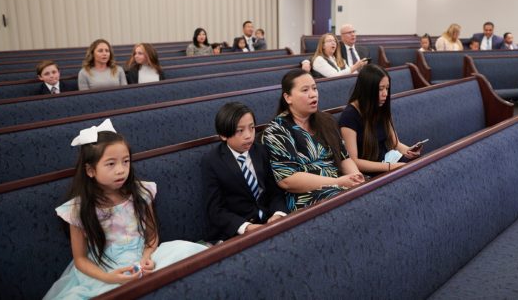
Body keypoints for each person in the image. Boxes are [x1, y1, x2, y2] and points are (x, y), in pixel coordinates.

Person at [44, 119, 207, 299]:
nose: (121, 170)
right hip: (104, 269)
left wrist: (147, 256)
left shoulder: (140, 193)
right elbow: (80, 259)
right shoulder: (78, 209)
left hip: (142, 257)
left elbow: (151, 236)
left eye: (126, 161)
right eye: (111, 164)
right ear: (90, 170)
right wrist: (108, 277)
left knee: (188, 257)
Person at [261, 69, 365, 211]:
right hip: (305, 195)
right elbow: (287, 180)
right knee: (351, 202)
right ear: (288, 97)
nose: (313, 94)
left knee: (371, 190)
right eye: (305, 90)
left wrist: (356, 178)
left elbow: (344, 158)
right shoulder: (277, 130)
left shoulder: (327, 121)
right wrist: (337, 182)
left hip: (340, 182)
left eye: (314, 88)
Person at [203, 102, 289, 241]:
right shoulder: (212, 161)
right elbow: (215, 210)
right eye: (240, 131)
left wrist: (278, 214)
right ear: (223, 135)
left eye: (252, 128)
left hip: (268, 222)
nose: (249, 136)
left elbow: (275, 192)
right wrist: (246, 227)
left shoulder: (261, 151)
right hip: (237, 231)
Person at [339, 64, 422, 175]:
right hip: (371, 171)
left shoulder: (381, 107)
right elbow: (353, 161)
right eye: (380, 89)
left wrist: (409, 151)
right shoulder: (349, 116)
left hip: (388, 161)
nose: (385, 94)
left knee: (420, 165)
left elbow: (395, 144)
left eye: (387, 88)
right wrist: (390, 167)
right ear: (367, 89)